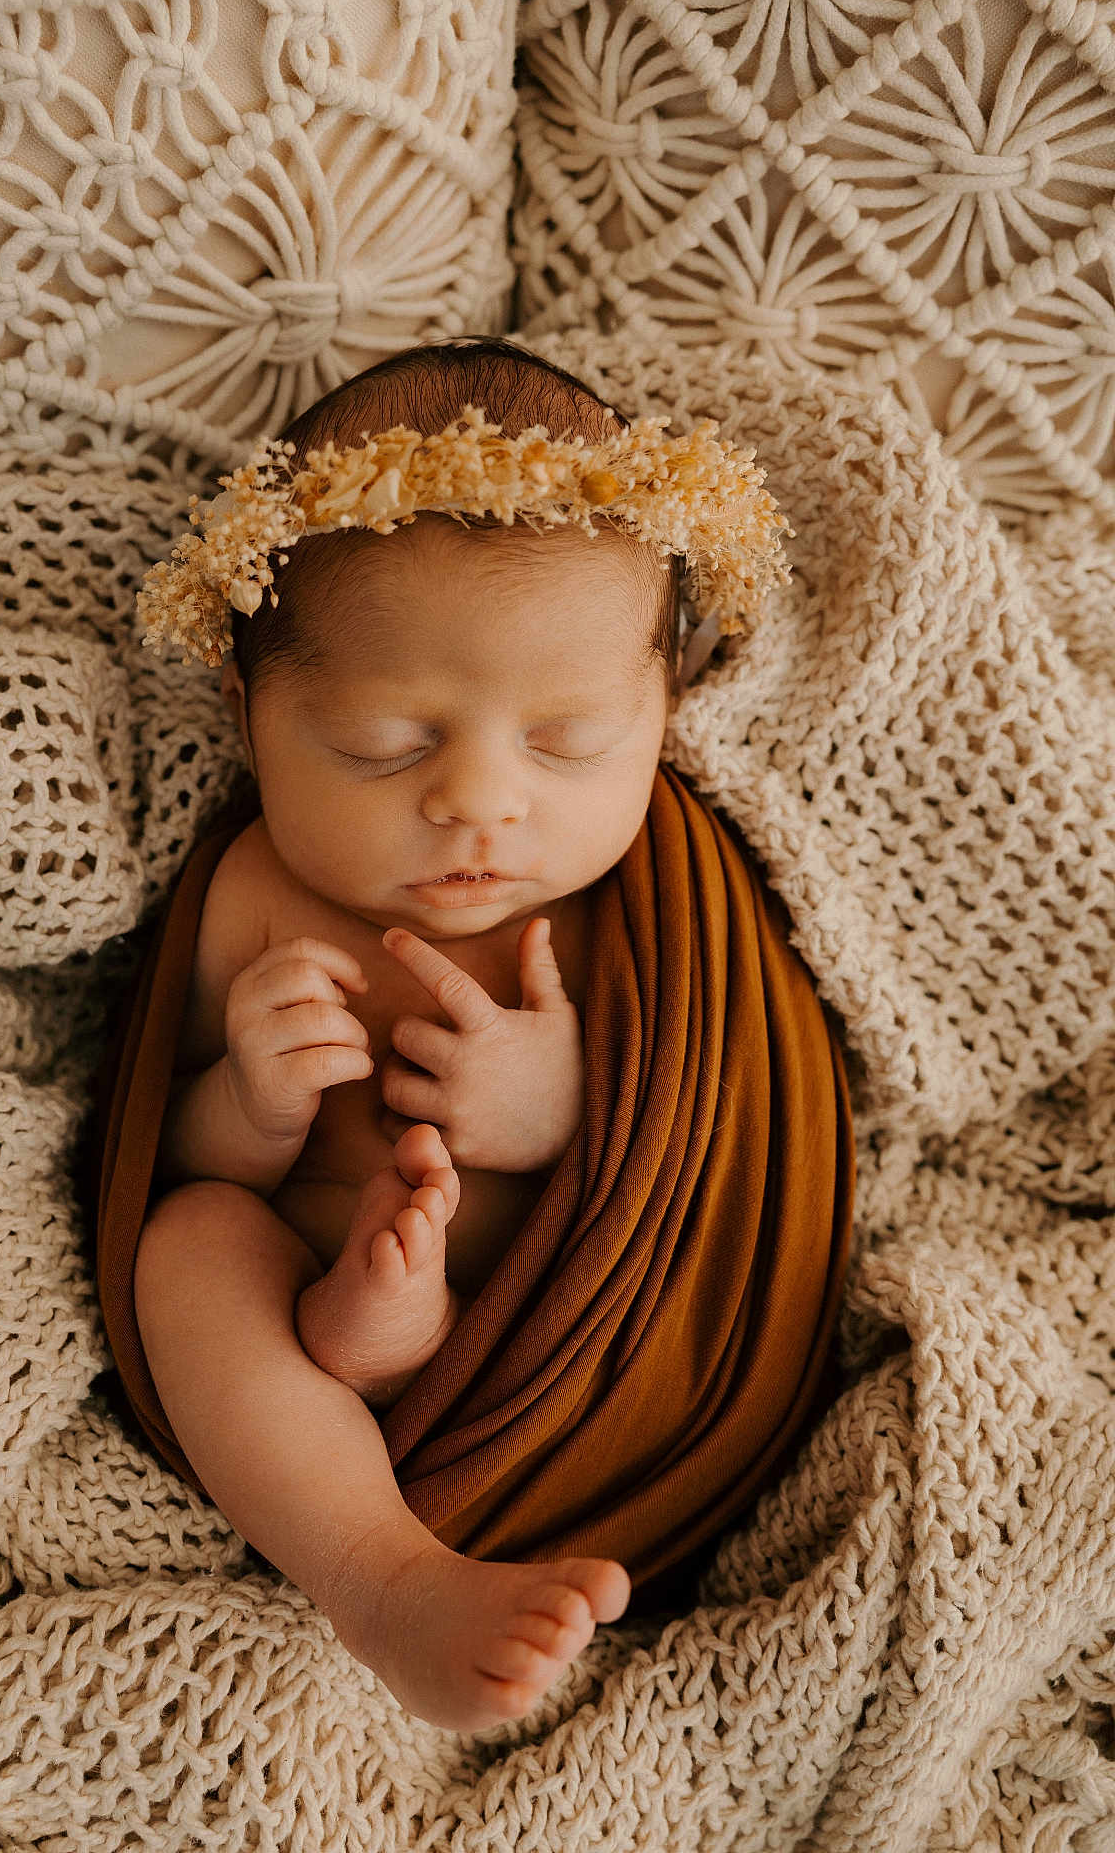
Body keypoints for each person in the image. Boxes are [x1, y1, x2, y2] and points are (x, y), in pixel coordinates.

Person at [93, 335, 853, 1733]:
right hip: (303, 1347)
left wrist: (572, 1107)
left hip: (582, 1362)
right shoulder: (256, 899)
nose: (481, 804)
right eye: (384, 745)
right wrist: (247, 1104)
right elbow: (166, 1154)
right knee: (193, 1250)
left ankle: (406, 1348)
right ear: (250, 717)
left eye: (568, 743)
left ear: (666, 708)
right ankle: (380, 1577)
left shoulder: (653, 906)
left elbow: (728, 1119)